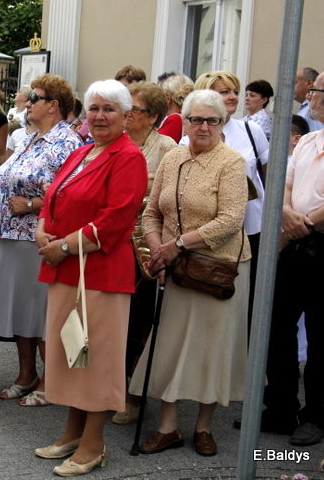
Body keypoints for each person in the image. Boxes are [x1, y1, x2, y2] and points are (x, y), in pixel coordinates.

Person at [34, 79, 146, 476]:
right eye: (94, 108)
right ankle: (72, 433)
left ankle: (94, 443)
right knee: (72, 354)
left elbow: (116, 219)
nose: (99, 116)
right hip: (66, 269)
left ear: (126, 116)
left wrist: (64, 245)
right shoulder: (82, 151)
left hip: (99, 274)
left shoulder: (129, 157)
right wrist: (42, 228)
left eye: (109, 109)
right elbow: (53, 196)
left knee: (96, 358)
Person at [128, 89, 250, 457]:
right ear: (186, 122)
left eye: (212, 120)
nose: (203, 126)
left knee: (211, 348)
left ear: (222, 123)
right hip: (174, 268)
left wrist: (177, 245)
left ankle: (203, 426)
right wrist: (158, 251)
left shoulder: (232, 162)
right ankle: (168, 427)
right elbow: (152, 212)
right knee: (170, 344)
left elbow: (231, 220)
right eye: (196, 119)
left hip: (218, 269)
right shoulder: (173, 157)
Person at [0, 74, 81, 407]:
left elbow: (71, 192)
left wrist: (33, 204)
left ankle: (53, 381)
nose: (28, 103)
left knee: (41, 312)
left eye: (35, 98)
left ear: (53, 105)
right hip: (10, 234)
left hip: (39, 237)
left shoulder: (66, 142)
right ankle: (27, 375)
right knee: (21, 311)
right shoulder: (31, 137)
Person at [263, 69, 324, 447]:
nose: (309, 97)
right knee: (278, 327)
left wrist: (301, 224)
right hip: (294, 243)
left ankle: (316, 415)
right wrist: (287, 213)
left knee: (322, 336)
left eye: (314, 91)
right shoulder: (307, 141)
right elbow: (285, 182)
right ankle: (281, 408)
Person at [114, 81, 177, 424]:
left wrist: (137, 193)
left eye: (135, 110)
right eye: (126, 108)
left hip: (144, 243)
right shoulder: (116, 140)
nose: (127, 115)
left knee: (138, 319)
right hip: (112, 239)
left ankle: (135, 395)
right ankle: (110, 387)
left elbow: (167, 195)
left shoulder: (167, 147)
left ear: (153, 117)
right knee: (113, 317)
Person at [191, 71, 267, 328]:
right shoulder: (192, 135)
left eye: (235, 91)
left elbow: (267, 175)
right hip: (208, 231)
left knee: (248, 300)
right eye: (224, 92)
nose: (233, 96)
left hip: (252, 227)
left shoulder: (251, 130)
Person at [157, 74, 194, 143]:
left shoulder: (175, 119)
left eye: (160, 96)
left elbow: (156, 146)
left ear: (168, 97)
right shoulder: (188, 117)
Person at [294, 67, 322, 132]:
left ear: (309, 83)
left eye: (295, 83)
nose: (291, 87)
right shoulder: (305, 108)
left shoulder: (315, 108)